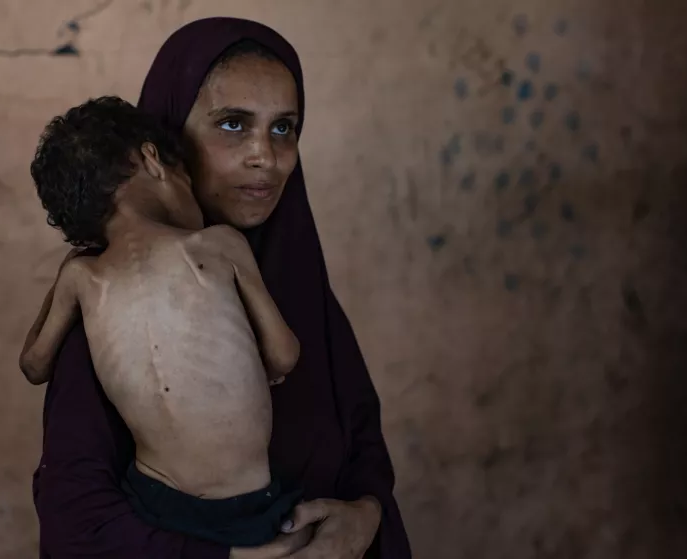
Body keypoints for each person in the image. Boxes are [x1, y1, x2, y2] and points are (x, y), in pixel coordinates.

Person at [32, 17, 412, 559]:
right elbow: (78, 515)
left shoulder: (299, 283)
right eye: (233, 124)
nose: (266, 155)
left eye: (285, 127)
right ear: (160, 147)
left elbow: (363, 449)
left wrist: (365, 514)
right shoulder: (109, 299)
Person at [20, 95, 303, 546]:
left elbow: (34, 366)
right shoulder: (217, 246)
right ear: (153, 159)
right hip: (246, 501)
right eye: (187, 178)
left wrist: (67, 273)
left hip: (155, 502)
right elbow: (285, 355)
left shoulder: (83, 277)